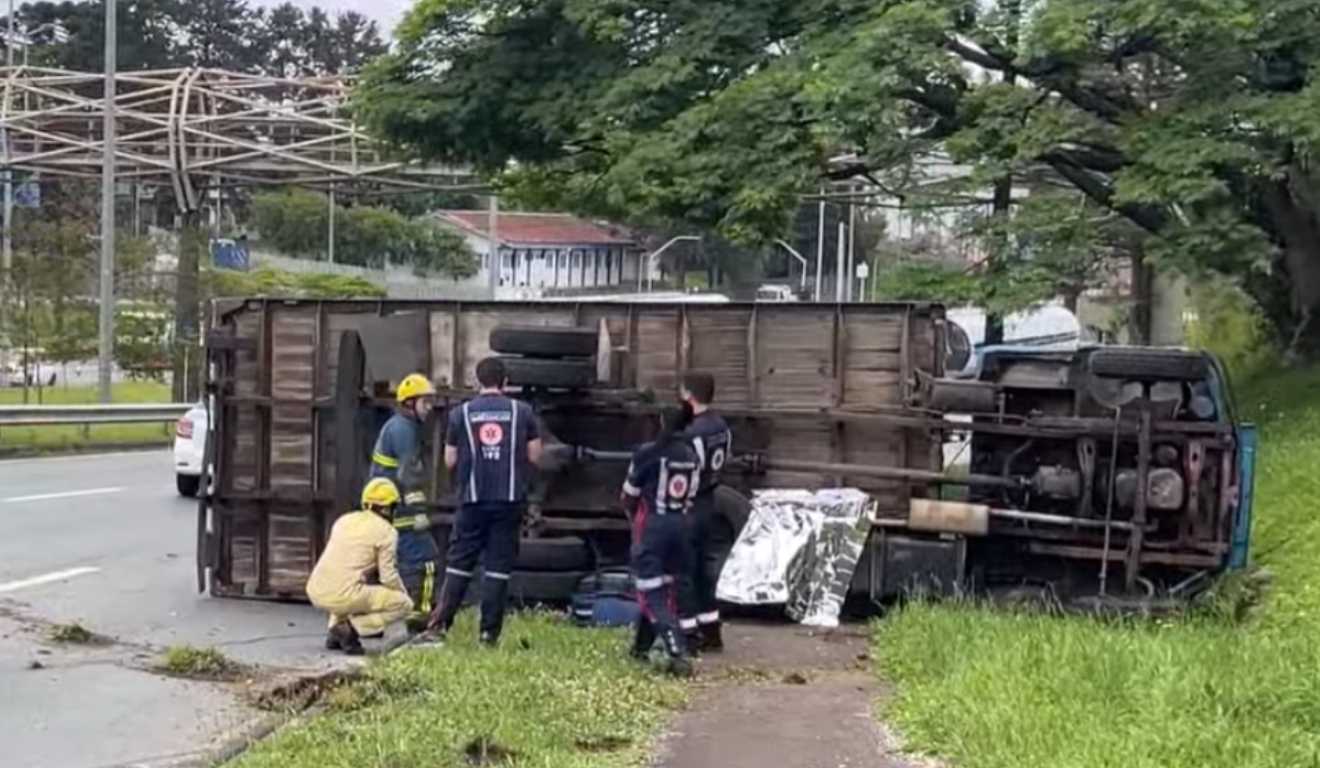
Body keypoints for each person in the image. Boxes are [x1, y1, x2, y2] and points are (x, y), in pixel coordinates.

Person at [426, 357, 543, 646]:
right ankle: (488, 634)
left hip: (472, 500)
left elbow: (450, 460)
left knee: (459, 563)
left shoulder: (459, 414)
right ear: (505, 382)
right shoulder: (523, 412)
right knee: (497, 567)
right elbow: (535, 456)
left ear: (478, 381)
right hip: (509, 500)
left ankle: (440, 626)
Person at [623, 405, 700, 677]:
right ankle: (640, 648)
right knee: (666, 585)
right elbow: (692, 496)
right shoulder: (692, 456)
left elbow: (629, 495)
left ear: (661, 422)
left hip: (653, 527)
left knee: (649, 591)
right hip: (682, 526)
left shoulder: (647, 453)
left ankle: (677, 650)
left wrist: (633, 518)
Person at [305, 478, 414, 656]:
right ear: (387, 508)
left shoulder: (344, 520)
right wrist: (402, 593)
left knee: (350, 586)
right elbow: (388, 576)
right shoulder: (388, 532)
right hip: (344, 594)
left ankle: (335, 630)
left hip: (316, 589)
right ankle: (351, 628)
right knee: (403, 605)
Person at [368, 372, 439, 632]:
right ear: (409, 403)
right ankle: (421, 618)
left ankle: (370, 620)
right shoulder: (403, 429)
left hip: (387, 507)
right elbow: (408, 475)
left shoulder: (400, 426)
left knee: (382, 564)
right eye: (425, 402)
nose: (430, 408)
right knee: (427, 559)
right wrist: (419, 511)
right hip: (398, 508)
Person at [677, 371, 734, 653]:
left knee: (683, 571)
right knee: (705, 569)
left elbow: (685, 472)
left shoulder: (691, 433)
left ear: (689, 395)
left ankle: (688, 634)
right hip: (711, 501)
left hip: (690, 505)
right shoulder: (722, 427)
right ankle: (712, 631)